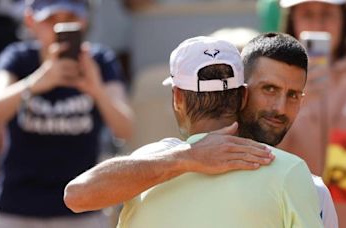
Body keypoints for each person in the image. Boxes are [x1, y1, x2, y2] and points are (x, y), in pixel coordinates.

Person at [117, 35, 322, 228]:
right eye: (269, 89)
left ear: (177, 98)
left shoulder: (136, 172)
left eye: (294, 95)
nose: (279, 107)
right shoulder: (291, 171)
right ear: (243, 95)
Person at [0, 0, 134, 227]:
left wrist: (95, 89)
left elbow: (125, 129)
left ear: (84, 20)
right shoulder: (18, 58)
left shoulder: (99, 62)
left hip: (83, 208)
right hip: (17, 208)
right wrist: (36, 82)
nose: (59, 27)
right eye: (51, 19)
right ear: (30, 20)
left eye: (70, 19)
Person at [277, 0, 346, 227]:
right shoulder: (272, 79)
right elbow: (264, 150)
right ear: (292, 20)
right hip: (295, 219)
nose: (318, 24)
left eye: (327, 14)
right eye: (307, 14)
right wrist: (295, 100)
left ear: (344, 18)